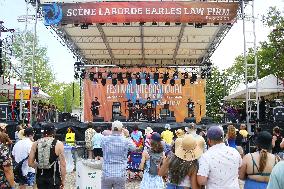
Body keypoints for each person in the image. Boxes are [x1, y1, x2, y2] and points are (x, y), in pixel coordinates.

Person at [28, 124, 66, 189]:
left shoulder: (35, 144)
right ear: (53, 132)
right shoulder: (59, 144)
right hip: (53, 178)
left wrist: (40, 165)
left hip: (40, 178)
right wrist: (63, 180)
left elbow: (30, 163)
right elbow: (63, 165)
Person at [101, 121, 136, 189]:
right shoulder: (126, 141)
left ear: (111, 128)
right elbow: (134, 148)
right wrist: (127, 135)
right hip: (120, 173)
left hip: (107, 172)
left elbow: (103, 136)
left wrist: (112, 132)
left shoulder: (105, 139)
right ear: (122, 129)